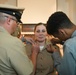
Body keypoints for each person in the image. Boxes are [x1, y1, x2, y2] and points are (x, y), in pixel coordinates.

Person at [0, 4, 33, 75]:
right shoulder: (14, 43)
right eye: (17, 22)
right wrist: (34, 54)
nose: (16, 26)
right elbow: (29, 73)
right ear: (9, 21)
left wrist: (22, 39)